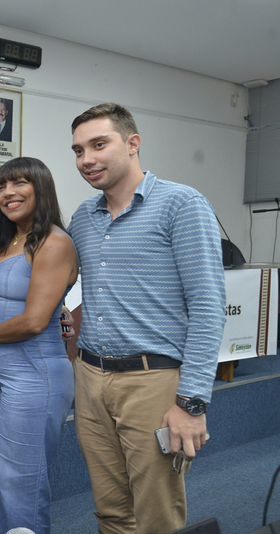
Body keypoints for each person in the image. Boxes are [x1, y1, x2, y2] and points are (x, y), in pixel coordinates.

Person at [68, 103, 226, 533]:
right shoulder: (82, 217)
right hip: (90, 378)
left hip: (152, 381)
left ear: (132, 143)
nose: (87, 159)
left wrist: (192, 402)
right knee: (110, 510)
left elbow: (208, 306)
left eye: (99, 145)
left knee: (156, 516)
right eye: (79, 150)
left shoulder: (181, 204)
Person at [0, 157, 78, 534]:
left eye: (19, 183)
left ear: (41, 188)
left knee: (23, 486)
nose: (8, 193)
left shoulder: (54, 242)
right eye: (1, 186)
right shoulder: (10, 237)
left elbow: (33, 321)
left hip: (34, 377)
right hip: (2, 377)